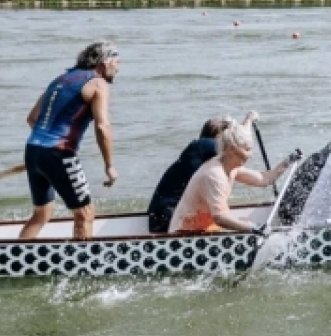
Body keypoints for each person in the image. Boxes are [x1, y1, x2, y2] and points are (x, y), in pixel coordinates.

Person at [20, 41, 122, 241]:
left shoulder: (60, 79)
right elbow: (103, 127)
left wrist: (44, 154)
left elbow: (32, 118)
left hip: (33, 150)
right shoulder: (97, 83)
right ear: (105, 62)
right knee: (85, 213)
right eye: (117, 63)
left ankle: (14, 257)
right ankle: (84, 269)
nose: (118, 69)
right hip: (59, 153)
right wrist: (110, 166)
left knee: (42, 213)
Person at [169, 122, 300, 234]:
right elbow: (220, 217)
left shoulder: (231, 167)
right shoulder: (214, 175)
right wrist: (253, 229)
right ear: (232, 149)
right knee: (248, 225)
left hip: (205, 229)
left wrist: (287, 162)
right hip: (185, 234)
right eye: (247, 149)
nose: (251, 154)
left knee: (247, 224)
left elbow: (264, 179)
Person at [147, 111, 257, 234]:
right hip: (165, 217)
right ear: (221, 136)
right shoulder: (203, 145)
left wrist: (248, 121)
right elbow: (237, 144)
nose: (233, 137)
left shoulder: (204, 153)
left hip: (162, 214)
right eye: (230, 135)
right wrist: (248, 121)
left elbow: (239, 143)